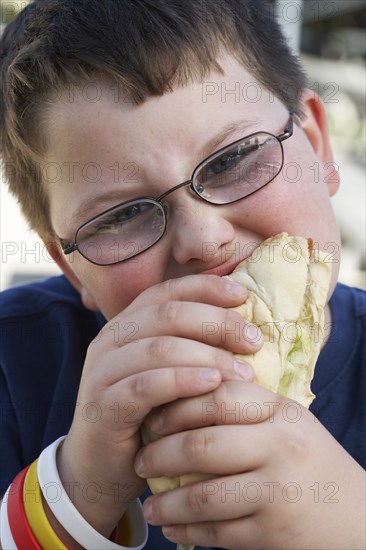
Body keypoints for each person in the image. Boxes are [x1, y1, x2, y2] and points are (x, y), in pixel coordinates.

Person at [0, 0, 365, 548]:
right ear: (69, 268)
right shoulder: (13, 366)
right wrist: (76, 491)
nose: (204, 240)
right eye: (120, 215)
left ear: (316, 148)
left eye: (234, 159)